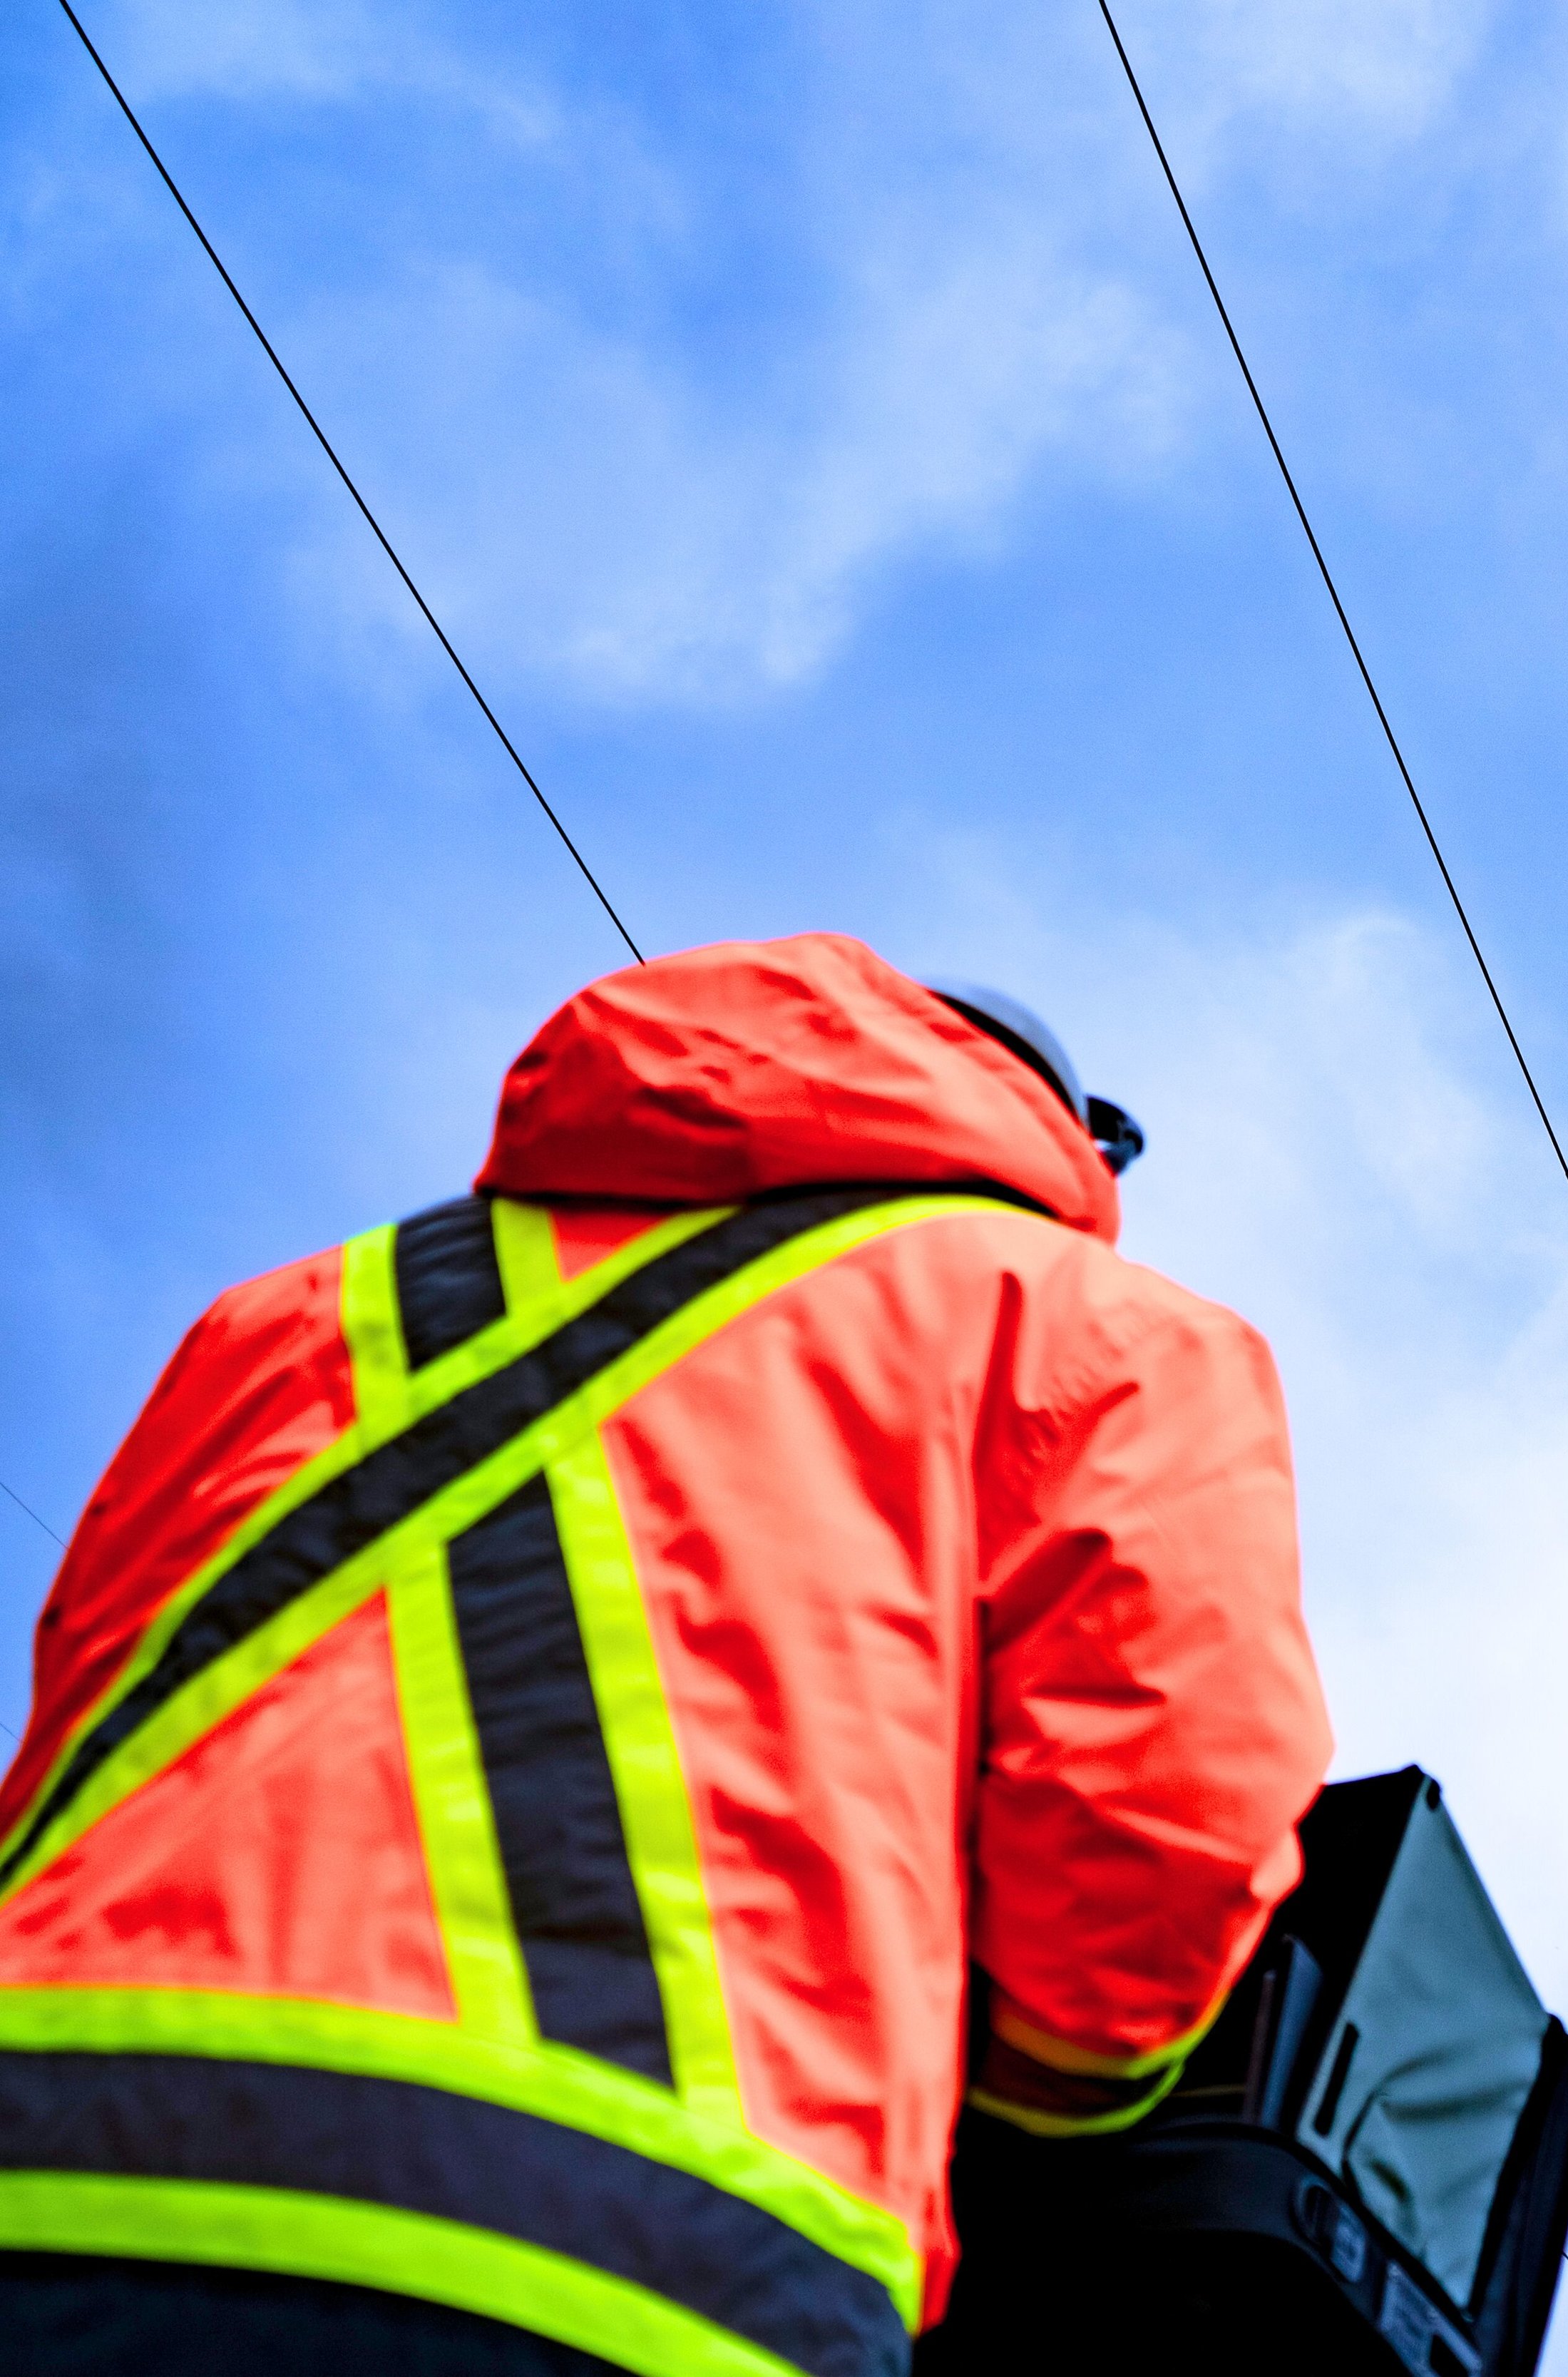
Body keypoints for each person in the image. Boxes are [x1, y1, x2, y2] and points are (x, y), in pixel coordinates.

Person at [0, 931, 1333, 2376]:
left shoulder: (288, 1310)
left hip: (48, 2153)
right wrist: (1034, 2104)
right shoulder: (1090, 1323)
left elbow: (79, 1696)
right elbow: (1162, 1814)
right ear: (1067, 1140)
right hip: (620, 2235)